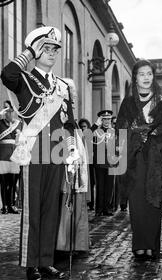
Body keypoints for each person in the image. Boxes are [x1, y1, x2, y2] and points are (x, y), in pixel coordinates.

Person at [0, 26, 77, 280]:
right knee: (32, 211)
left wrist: (73, 151)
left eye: (55, 48)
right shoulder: (24, 78)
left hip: (56, 152)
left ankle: (46, 261)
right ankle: (31, 263)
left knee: (51, 209)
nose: (53, 52)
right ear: (36, 50)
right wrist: (30, 52)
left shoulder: (63, 86)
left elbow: (69, 122)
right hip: (33, 152)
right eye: (47, 48)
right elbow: (6, 74)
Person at [116, 59, 162, 260]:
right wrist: (134, 131)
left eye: (149, 74)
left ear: (153, 76)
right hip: (134, 159)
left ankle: (152, 246)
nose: (146, 78)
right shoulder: (128, 102)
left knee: (153, 201)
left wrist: (151, 131)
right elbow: (120, 129)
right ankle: (139, 246)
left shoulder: (160, 101)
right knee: (136, 202)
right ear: (135, 77)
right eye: (142, 74)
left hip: (154, 159)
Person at [56, 79, 89, 255]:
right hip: (64, 162)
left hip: (77, 162)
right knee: (65, 202)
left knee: (76, 201)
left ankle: (75, 242)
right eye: (69, 92)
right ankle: (63, 243)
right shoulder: (59, 114)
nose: (72, 96)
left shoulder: (72, 120)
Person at [0, 100, 22, 215]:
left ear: (13, 111)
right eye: (4, 109)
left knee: (13, 182)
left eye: (8, 109)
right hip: (2, 155)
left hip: (14, 156)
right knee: (4, 183)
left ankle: (12, 205)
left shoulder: (19, 123)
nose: (6, 112)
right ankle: (5, 206)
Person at [91, 110, 117, 217]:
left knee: (109, 186)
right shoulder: (96, 131)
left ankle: (107, 208)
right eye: (104, 119)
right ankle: (99, 209)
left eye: (109, 119)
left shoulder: (113, 131)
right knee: (100, 186)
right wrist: (95, 125)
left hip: (110, 162)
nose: (107, 121)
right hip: (99, 162)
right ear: (100, 120)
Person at [78, 118, 95, 211]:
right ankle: (83, 202)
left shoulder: (90, 135)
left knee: (91, 183)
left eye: (84, 126)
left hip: (90, 163)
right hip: (81, 163)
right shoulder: (79, 137)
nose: (83, 129)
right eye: (81, 127)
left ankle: (91, 203)